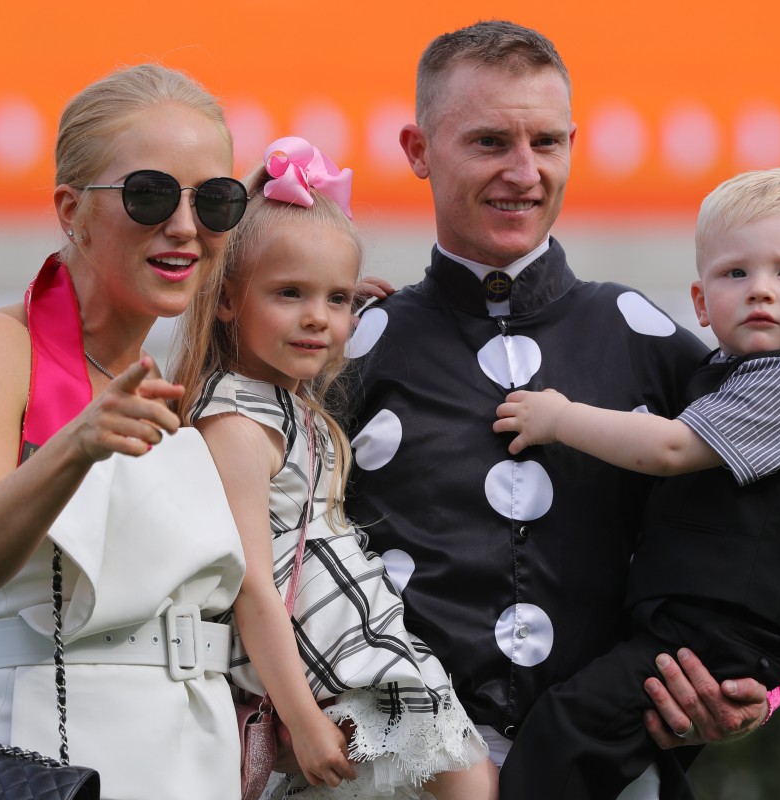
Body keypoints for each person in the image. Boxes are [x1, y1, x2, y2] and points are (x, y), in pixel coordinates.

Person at [342, 20, 780, 799]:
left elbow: (776, 520)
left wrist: (757, 679)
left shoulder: (645, 338)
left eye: (547, 143)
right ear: (417, 150)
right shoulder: (353, 346)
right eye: (489, 142)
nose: (524, 172)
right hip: (402, 775)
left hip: (614, 772)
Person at [0, 64, 249, 800]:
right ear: (72, 209)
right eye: (151, 194)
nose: (187, 226)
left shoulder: (176, 376)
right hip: (40, 752)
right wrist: (77, 443)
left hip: (192, 756)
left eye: (218, 201)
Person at [493, 167, 780, 797]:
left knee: (564, 731)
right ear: (700, 302)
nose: (760, 291)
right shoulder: (722, 372)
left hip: (714, 637)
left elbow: (666, 448)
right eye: (735, 273)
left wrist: (559, 417)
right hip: (695, 630)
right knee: (635, 762)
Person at [173, 137, 495, 799]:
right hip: (321, 655)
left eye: (338, 299)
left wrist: (342, 304)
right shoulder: (236, 422)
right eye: (290, 293)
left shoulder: (283, 402)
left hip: (350, 632)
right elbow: (250, 584)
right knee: (467, 778)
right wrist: (299, 716)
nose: (319, 318)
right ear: (228, 300)